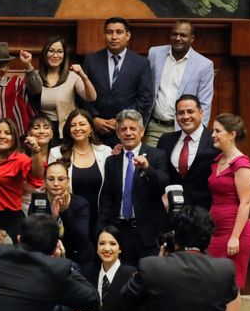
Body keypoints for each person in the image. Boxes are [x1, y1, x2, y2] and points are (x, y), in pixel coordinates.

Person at [207, 113, 250, 311]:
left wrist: (235, 235)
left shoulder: (241, 165)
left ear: (232, 134)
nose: (213, 135)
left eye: (218, 131)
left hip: (235, 232)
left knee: (232, 285)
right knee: (217, 284)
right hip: (216, 231)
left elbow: (245, 203)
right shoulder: (219, 160)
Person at [98, 109, 170, 267]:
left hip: (148, 234)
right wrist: (104, 228)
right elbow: (107, 197)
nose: (128, 133)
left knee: (149, 279)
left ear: (142, 131)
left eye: (133, 128)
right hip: (120, 232)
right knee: (125, 279)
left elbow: (162, 185)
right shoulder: (112, 161)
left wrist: (147, 168)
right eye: (123, 129)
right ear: (117, 134)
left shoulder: (157, 155)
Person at [80, 17, 153, 146]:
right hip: (95, 130)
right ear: (105, 35)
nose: (114, 37)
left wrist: (121, 120)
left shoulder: (141, 63)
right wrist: (94, 118)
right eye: (109, 32)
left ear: (128, 35)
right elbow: (82, 95)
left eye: (119, 32)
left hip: (126, 131)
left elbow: (145, 98)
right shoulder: (91, 61)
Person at [70, 227, 139, 311]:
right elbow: (94, 310)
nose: (106, 248)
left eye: (112, 244)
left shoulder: (131, 274)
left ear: (120, 248)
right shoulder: (91, 274)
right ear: (96, 248)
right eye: (102, 243)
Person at [145, 20, 214, 146]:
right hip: (155, 127)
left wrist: (198, 135)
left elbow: (204, 103)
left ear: (192, 38)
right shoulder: (155, 54)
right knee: (150, 164)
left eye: (183, 35)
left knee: (179, 165)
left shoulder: (204, 65)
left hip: (184, 128)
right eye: (174, 34)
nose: (178, 38)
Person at [49, 109, 113, 241]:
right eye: (73, 125)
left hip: (99, 219)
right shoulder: (56, 153)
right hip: (69, 217)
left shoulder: (106, 151)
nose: (77, 128)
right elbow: (50, 187)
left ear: (91, 128)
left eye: (82, 124)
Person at [156, 95, 218, 210]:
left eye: (190, 111)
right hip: (173, 211)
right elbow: (158, 170)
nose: (185, 116)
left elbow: (232, 163)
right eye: (180, 113)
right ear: (176, 116)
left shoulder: (215, 139)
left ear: (201, 112)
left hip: (205, 212)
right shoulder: (165, 140)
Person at [33, 36, 97, 142]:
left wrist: (83, 76)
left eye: (59, 52)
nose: (55, 55)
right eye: (51, 51)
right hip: (42, 132)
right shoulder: (35, 77)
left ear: (64, 55)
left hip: (66, 131)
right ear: (45, 54)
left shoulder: (72, 76)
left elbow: (91, 97)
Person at [43, 161, 95, 271]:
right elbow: (35, 238)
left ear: (68, 181)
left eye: (61, 179)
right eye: (51, 179)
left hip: (79, 258)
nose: (56, 183)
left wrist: (64, 212)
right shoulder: (38, 203)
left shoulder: (81, 203)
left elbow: (80, 240)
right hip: (47, 259)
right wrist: (53, 219)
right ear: (44, 181)